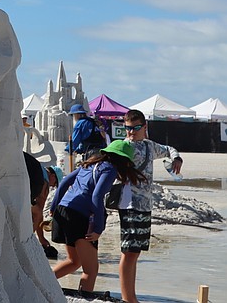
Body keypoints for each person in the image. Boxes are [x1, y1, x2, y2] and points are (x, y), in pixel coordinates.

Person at [50, 140, 144, 295]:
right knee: (91, 270)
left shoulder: (89, 164)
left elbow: (64, 182)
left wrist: (54, 208)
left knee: (74, 261)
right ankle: (84, 298)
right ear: (123, 160)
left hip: (63, 210)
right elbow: (96, 196)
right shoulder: (110, 169)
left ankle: (39, 283)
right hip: (79, 216)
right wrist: (99, 228)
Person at [117, 109, 183, 303]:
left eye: (135, 128)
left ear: (144, 127)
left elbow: (169, 149)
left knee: (135, 253)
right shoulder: (124, 146)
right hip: (129, 204)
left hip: (145, 205)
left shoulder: (149, 146)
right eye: (127, 128)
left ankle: (132, 297)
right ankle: (128, 299)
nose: (131, 132)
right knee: (128, 251)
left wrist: (177, 158)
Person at [23, 152, 63, 258]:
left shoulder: (39, 168)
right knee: (37, 213)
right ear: (53, 176)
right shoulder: (44, 182)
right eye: (55, 183)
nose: (52, 186)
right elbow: (39, 214)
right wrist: (42, 238)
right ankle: (27, 240)